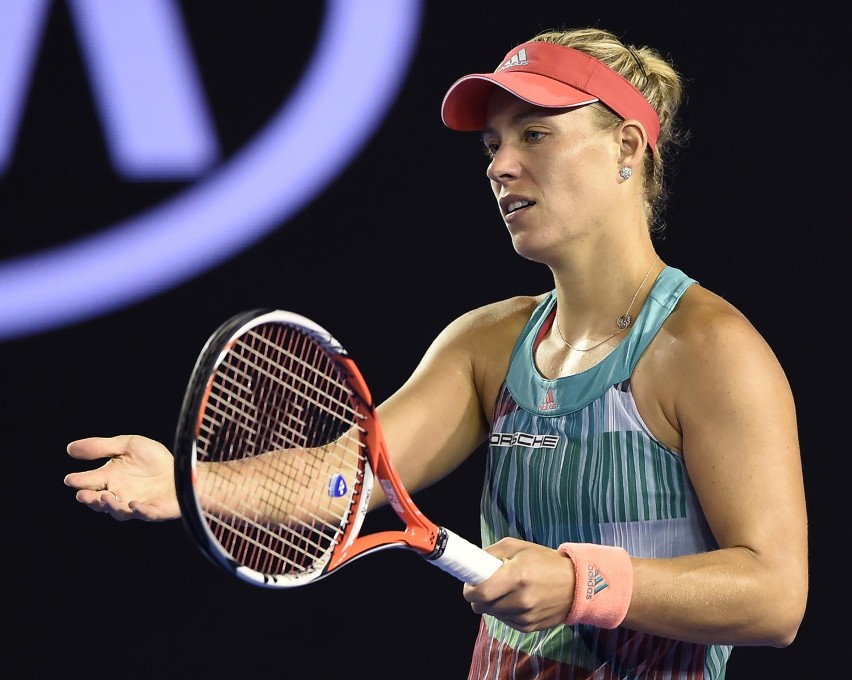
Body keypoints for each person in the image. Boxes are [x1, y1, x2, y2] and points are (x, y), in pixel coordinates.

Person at [64, 26, 808, 679]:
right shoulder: (487, 344)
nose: (499, 165)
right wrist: (191, 486)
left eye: (534, 134)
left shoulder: (708, 349)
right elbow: (341, 482)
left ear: (625, 148)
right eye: (493, 145)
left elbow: (775, 598)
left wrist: (584, 583)